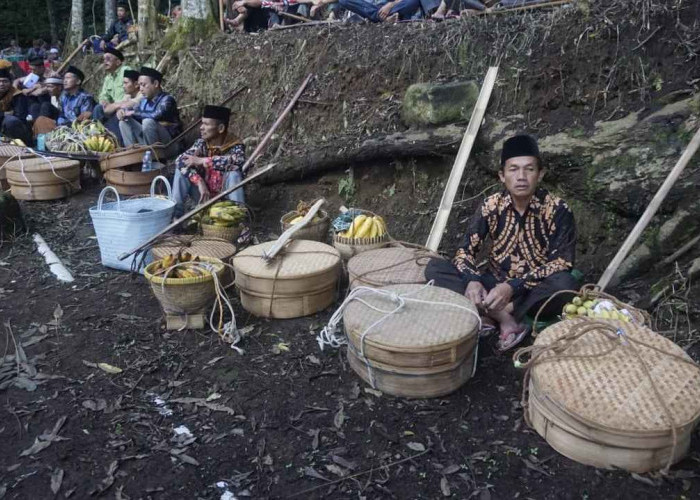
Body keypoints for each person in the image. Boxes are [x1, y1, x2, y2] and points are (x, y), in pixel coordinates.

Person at [425, 135, 578, 352]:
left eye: (529, 169)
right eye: (513, 169)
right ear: (501, 175)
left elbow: (562, 262)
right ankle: (504, 318)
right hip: (492, 284)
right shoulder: (491, 205)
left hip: (530, 289)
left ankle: (487, 312)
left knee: (566, 285)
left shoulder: (557, 209)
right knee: (434, 267)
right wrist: (472, 281)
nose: (521, 177)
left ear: (540, 174)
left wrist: (513, 286)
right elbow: (464, 252)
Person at [173, 105, 245, 217]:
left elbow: (238, 160)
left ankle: (240, 218)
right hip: (203, 195)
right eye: (202, 123)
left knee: (234, 174)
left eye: (206, 124)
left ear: (221, 128)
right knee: (180, 171)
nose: (201, 127)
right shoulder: (201, 143)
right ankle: (176, 217)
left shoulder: (235, 145)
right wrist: (199, 182)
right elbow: (180, 160)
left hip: (225, 201)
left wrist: (203, 160)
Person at [117, 66, 181, 151]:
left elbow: (155, 115)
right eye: (139, 85)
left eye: (143, 85)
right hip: (149, 143)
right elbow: (133, 111)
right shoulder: (144, 101)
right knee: (124, 122)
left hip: (169, 144)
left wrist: (133, 113)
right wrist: (123, 112)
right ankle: (133, 154)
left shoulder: (167, 99)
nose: (141, 89)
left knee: (148, 122)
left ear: (155, 84)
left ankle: (156, 156)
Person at [92, 47, 131, 144]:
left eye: (108, 59)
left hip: (125, 107)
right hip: (112, 108)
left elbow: (131, 93)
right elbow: (103, 96)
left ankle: (115, 142)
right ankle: (95, 138)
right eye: (104, 60)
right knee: (98, 108)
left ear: (118, 62)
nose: (105, 62)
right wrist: (104, 101)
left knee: (116, 116)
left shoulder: (126, 70)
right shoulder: (108, 78)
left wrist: (117, 105)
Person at [0, 69, 31, 145]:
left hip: (16, 130)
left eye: (5, 81)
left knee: (10, 121)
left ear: (10, 83)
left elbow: (20, 116)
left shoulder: (18, 95)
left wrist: (3, 115)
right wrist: (5, 114)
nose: (1, 84)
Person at [339, 0, 421, 22]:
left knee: (413, 1)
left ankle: (379, 17)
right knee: (344, 0)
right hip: (370, 7)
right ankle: (382, 17)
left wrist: (390, 5)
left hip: (393, 7)